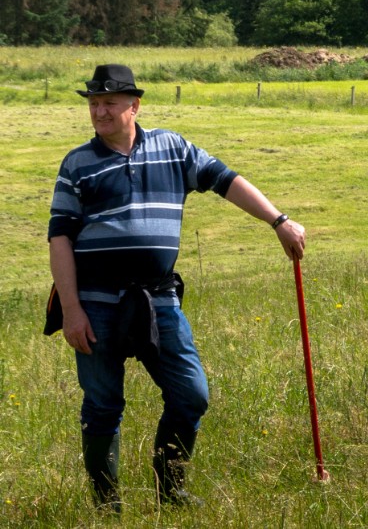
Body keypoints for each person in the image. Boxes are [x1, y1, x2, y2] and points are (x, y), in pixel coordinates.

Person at [47, 64, 306, 511]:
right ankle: (106, 506)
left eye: (109, 103)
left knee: (191, 394)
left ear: (134, 106)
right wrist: (71, 310)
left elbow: (226, 180)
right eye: (94, 103)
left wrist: (278, 221)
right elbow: (59, 239)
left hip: (158, 298)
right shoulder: (77, 164)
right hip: (95, 303)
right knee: (103, 403)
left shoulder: (173, 148)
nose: (99, 112)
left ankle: (171, 490)